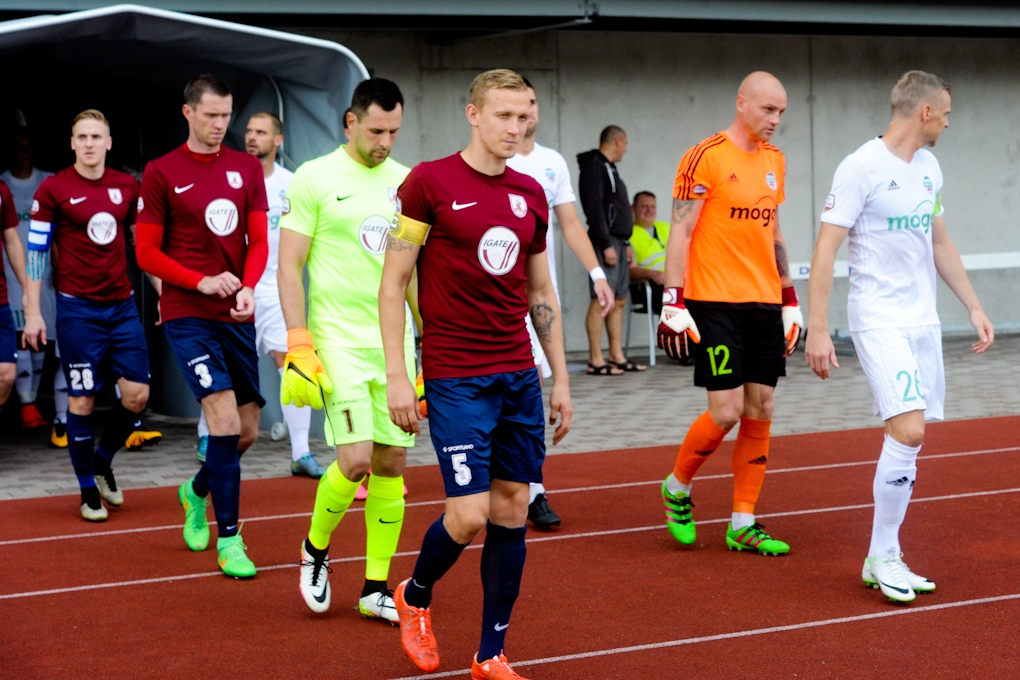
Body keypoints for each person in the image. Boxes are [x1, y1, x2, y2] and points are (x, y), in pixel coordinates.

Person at [381, 68, 572, 680]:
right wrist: (396, 373)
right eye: (504, 116)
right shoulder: (426, 184)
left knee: (513, 508)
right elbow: (393, 286)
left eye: (525, 118)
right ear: (473, 115)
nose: (516, 128)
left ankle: (491, 655)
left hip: (517, 370)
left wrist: (560, 378)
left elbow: (541, 289)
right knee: (468, 515)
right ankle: (415, 593)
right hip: (455, 373)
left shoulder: (530, 193)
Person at [806, 71, 994, 603]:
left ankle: (882, 555)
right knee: (908, 431)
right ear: (925, 112)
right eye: (948, 113)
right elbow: (825, 250)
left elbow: (939, 239)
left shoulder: (930, 167)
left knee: (914, 438)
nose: (950, 123)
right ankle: (884, 555)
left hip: (922, 321)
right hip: (878, 317)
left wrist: (974, 305)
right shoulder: (860, 167)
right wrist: (817, 328)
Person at [279, 78, 413, 621]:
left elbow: (416, 276)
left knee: (392, 462)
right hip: (336, 341)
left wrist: (425, 344)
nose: (385, 141)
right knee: (354, 461)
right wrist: (297, 339)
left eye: (395, 131)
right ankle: (315, 548)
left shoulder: (408, 182)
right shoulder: (314, 177)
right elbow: (289, 263)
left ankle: (375, 587)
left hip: (395, 343)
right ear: (350, 123)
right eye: (376, 130)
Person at [658, 71, 803, 556]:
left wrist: (790, 297)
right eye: (768, 110)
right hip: (713, 300)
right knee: (727, 410)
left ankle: (743, 521)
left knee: (762, 406)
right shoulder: (705, 157)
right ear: (742, 103)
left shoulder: (775, 161)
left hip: (763, 300)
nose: (775, 120)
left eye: (781, 111)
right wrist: (672, 299)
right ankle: (677, 487)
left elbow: (774, 232)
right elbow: (680, 232)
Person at [136, 74, 269, 578]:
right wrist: (199, 281)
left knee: (247, 432)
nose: (220, 125)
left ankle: (194, 491)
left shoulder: (244, 168)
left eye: (226, 115)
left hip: (236, 312)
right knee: (224, 421)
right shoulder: (161, 171)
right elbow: (146, 250)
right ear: (188, 112)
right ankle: (230, 540)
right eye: (211, 115)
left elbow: (257, 242)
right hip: (186, 313)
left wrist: (249, 286)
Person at [21, 110, 151, 522]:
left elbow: (145, 247)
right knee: (81, 398)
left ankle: (102, 460)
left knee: (137, 395)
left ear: (109, 142)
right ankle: (86, 490)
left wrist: (167, 296)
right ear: (72, 143)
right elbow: (37, 251)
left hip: (123, 306)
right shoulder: (53, 188)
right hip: (77, 310)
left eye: (97, 136)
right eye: (82, 136)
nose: (90, 143)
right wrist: (33, 311)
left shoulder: (127, 187)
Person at [506, 76, 614, 531]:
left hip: (537, 296)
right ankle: (510, 482)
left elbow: (570, 225)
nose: (526, 113)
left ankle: (533, 490)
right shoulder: (494, 159)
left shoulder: (551, 164)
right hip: (497, 297)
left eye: (531, 104)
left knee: (530, 391)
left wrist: (597, 274)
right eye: (516, 107)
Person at [193, 112, 324, 477]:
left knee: (292, 366)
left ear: (278, 140)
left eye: (261, 132)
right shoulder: (229, 177)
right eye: (249, 131)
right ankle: (207, 435)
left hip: (276, 287)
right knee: (224, 370)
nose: (252, 138)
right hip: (234, 287)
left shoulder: (293, 183)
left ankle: (300, 452)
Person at [1, 128, 64, 440]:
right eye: (18, 146)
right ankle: (26, 405)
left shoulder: (49, 181)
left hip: (44, 275)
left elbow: (61, 227)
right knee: (19, 338)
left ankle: (34, 403)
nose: (23, 153)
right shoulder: (3, 184)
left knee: (42, 338)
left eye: (28, 147)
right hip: (11, 276)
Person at [577, 125, 645, 375]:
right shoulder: (594, 167)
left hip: (618, 241)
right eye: (624, 143)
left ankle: (616, 355)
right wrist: (606, 244)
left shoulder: (609, 167)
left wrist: (624, 243)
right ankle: (596, 359)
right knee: (601, 299)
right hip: (604, 241)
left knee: (619, 300)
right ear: (616, 141)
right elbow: (594, 209)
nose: (625, 149)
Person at [0, 178, 29, 425]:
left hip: (0, 299)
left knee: (6, 375)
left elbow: (11, 240)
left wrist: (27, 288)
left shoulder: (1, 189)